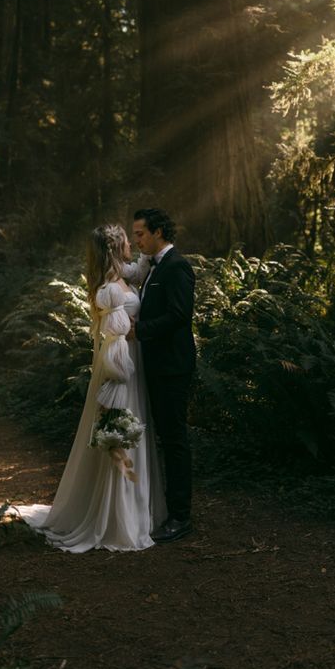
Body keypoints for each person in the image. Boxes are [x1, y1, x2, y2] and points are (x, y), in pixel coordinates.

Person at [12, 224, 166, 552]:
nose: (131, 242)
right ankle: (118, 518)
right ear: (114, 247)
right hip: (120, 367)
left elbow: (141, 268)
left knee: (130, 436)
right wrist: (119, 373)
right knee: (121, 436)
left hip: (132, 363)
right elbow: (113, 334)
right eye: (126, 239)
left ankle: (137, 509)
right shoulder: (109, 288)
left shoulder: (121, 276)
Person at [130, 207, 196, 544]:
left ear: (158, 232)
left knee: (174, 440)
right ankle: (167, 509)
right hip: (157, 368)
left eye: (140, 233)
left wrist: (137, 331)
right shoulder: (152, 268)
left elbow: (179, 316)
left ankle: (181, 516)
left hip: (172, 368)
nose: (136, 240)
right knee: (166, 439)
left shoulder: (176, 266)